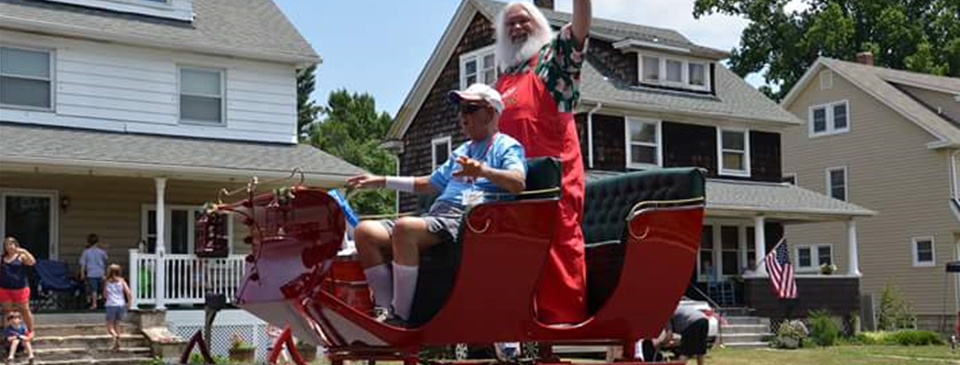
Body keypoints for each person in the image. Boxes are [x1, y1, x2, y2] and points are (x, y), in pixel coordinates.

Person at [348, 83, 526, 326]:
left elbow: (518, 182)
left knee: (405, 228)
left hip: (469, 220)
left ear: (492, 112)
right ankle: (383, 309)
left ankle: (401, 316)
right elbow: (428, 184)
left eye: (470, 108)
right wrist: (380, 181)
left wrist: (483, 170)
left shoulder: (507, 145)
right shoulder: (462, 151)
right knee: (364, 231)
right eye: (460, 109)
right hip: (439, 215)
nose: (462, 116)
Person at [493, 0, 592, 324]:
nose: (517, 28)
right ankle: (523, 326)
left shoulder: (553, 62)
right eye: (511, 24)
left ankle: (564, 325)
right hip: (515, 182)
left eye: (524, 21)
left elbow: (579, 31)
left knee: (559, 243)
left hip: (555, 176)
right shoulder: (503, 80)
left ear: (538, 24)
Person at [0, 238, 35, 335]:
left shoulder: (21, 257)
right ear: (5, 247)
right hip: (4, 288)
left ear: (16, 245)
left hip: (21, 288)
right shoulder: (2, 258)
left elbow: (32, 262)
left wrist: (24, 251)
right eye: (7, 244)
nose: (10, 246)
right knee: (7, 311)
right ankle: (8, 333)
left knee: (24, 310)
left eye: (12, 244)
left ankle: (30, 331)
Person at [103, 264, 131, 351]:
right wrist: (129, 303)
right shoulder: (122, 281)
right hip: (121, 304)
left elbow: (105, 295)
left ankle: (114, 336)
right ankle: (117, 344)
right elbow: (128, 292)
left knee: (109, 326)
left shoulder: (107, 281)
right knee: (117, 323)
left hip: (111, 305)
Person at [79, 233, 108, 310]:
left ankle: (94, 304)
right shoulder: (101, 251)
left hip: (91, 274)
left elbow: (83, 264)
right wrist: (104, 249)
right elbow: (106, 259)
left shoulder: (86, 252)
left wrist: (82, 273)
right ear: (97, 242)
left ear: (88, 242)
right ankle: (105, 303)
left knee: (93, 290)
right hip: (101, 273)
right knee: (103, 289)